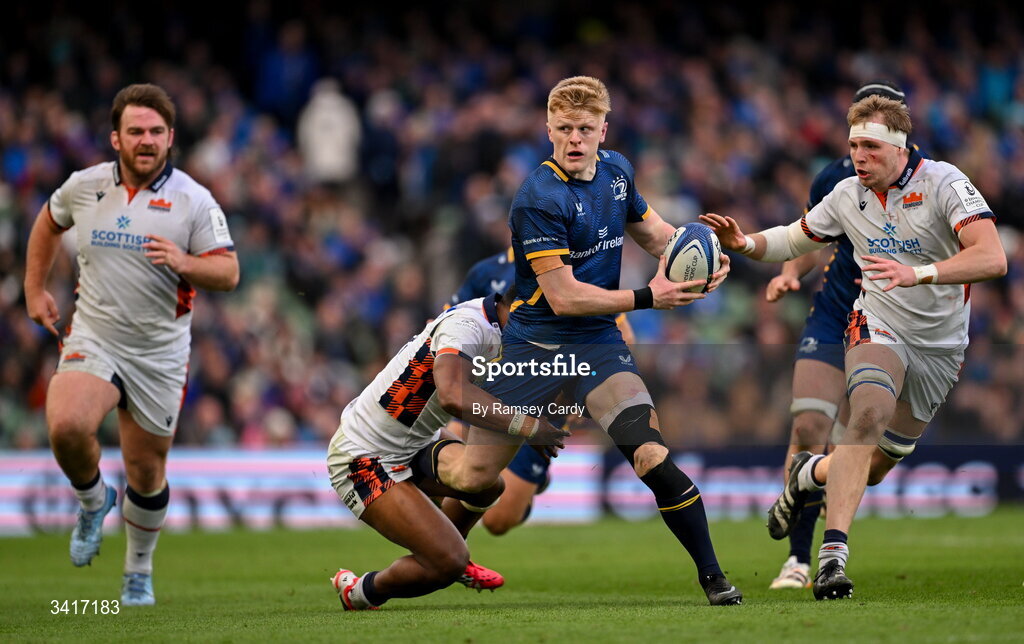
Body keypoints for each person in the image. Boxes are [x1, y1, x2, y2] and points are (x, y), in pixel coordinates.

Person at [432, 76, 743, 606]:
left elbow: (655, 233)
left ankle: (714, 579)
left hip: (598, 344)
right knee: (470, 477)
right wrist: (651, 297)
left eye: (584, 128)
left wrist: (706, 256)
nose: (575, 139)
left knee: (649, 453)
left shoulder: (618, 171)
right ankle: (423, 475)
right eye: (564, 129)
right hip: (534, 349)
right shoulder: (537, 197)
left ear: (604, 129)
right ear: (548, 130)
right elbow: (564, 297)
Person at [701, 95, 1006, 600]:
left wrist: (920, 273)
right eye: (852, 146)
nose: (857, 157)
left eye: (868, 146)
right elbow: (793, 239)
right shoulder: (847, 193)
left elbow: (992, 257)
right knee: (865, 413)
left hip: (941, 345)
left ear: (899, 147)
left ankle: (808, 475)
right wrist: (744, 244)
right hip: (877, 323)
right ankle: (831, 557)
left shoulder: (946, 183)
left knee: (879, 463)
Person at [23, 84, 240, 606]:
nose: (147, 141)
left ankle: (137, 571)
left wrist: (186, 262)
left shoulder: (193, 199)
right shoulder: (85, 186)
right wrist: (34, 289)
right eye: (136, 131)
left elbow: (229, 271)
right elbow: (48, 223)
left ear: (171, 138)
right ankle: (92, 499)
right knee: (68, 425)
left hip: (159, 355)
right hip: (94, 335)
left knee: (145, 471)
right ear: (115, 137)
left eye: (156, 132)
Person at [763, 81, 920, 591]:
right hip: (835, 312)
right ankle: (798, 560)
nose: (858, 149)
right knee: (810, 423)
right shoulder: (836, 177)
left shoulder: (930, 179)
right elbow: (813, 234)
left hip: (891, 317)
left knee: (867, 455)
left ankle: (805, 478)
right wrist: (793, 272)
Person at [326, 292, 569, 611]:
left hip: (415, 441)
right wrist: (530, 427)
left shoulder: (496, 325)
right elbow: (453, 396)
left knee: (487, 485)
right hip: (365, 458)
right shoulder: (467, 326)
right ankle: (360, 591)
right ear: (519, 308)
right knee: (448, 562)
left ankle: (444, 548)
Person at [449, 247, 636, 536]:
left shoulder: (576, 270)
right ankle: (446, 554)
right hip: (488, 395)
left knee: (498, 522)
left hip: (544, 405)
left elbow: (624, 339)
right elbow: (451, 322)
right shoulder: (485, 271)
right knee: (453, 466)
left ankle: (530, 485)